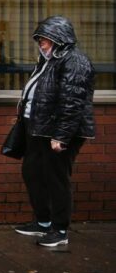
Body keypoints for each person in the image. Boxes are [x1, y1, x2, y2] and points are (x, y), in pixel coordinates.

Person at [13, 16, 95, 247]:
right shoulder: (48, 61)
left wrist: (61, 135)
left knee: (56, 178)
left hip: (56, 132)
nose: (41, 43)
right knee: (33, 173)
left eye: (46, 39)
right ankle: (43, 222)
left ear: (60, 39)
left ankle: (60, 230)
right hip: (38, 128)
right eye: (40, 39)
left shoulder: (75, 61)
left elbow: (72, 103)